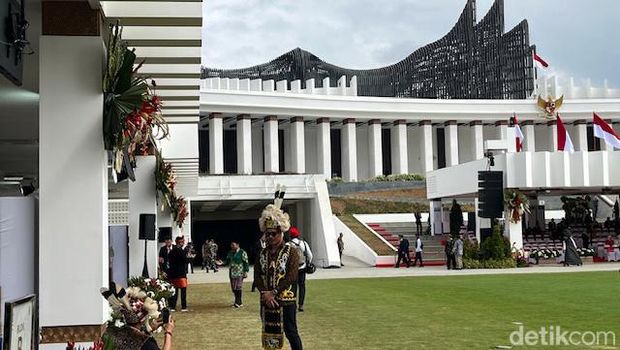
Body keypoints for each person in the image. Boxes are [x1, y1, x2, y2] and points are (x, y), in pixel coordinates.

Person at [254, 191, 303, 350]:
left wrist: (273, 292)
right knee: (268, 333)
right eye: (267, 234)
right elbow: (257, 276)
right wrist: (265, 293)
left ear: (281, 232)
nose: (269, 237)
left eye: (273, 234)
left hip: (285, 300)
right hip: (266, 301)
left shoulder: (292, 251)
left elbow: (292, 276)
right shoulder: (262, 252)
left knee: (291, 332)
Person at [100, 282, 175, 350]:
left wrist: (148, 331)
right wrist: (168, 332)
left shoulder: (111, 332)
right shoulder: (147, 343)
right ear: (142, 320)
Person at [290, 226, 313, 312]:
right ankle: (301, 305)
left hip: (293, 269)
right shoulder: (303, 243)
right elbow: (310, 255)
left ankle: (293, 304)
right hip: (302, 267)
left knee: (293, 287)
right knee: (302, 286)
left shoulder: (288, 245)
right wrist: (307, 263)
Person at [221, 241, 249, 308]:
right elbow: (227, 261)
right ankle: (238, 301)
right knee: (234, 288)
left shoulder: (242, 252)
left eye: (233, 245)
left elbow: (246, 262)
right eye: (231, 245)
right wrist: (222, 263)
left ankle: (238, 302)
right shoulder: (230, 252)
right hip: (232, 272)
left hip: (240, 272)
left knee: (238, 287)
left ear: (237, 245)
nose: (232, 246)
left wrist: (246, 271)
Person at [168, 236, 189, 311]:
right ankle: (184, 306)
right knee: (183, 291)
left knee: (174, 291)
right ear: (180, 242)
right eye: (182, 241)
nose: (183, 243)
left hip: (173, 274)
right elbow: (185, 261)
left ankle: (173, 306)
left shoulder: (171, 251)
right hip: (181, 274)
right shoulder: (182, 251)